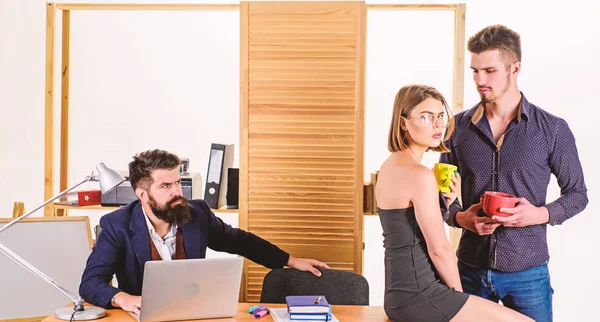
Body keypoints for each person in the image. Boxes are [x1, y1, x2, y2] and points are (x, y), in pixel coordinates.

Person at [440, 25, 588, 322]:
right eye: (475, 71)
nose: (480, 80)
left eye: (490, 71)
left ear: (514, 68)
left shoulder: (552, 130)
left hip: (528, 274)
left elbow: (577, 195)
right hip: (469, 270)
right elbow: (441, 194)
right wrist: (459, 217)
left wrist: (538, 214)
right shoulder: (457, 128)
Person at [79, 149, 329, 314]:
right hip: (144, 318)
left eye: (177, 182)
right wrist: (123, 298)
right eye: (166, 186)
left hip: (195, 314)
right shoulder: (117, 225)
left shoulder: (196, 213)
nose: (177, 192)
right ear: (143, 195)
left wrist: (289, 260)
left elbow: (240, 241)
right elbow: (90, 283)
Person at [377, 84, 532, 322]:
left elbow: (405, 231)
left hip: (397, 296)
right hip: (420, 296)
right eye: (425, 116)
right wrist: (459, 298)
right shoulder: (420, 175)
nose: (438, 124)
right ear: (403, 122)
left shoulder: (390, 166)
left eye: (440, 116)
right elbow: (439, 250)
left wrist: (446, 203)